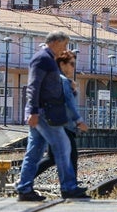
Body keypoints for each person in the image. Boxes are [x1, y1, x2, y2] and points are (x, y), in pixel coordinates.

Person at [16, 31, 89, 201]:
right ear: (55, 42)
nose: (65, 49)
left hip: (42, 112)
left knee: (34, 152)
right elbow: (33, 86)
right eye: (64, 44)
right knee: (63, 147)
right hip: (44, 113)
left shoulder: (47, 59)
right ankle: (69, 187)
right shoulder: (43, 59)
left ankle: (25, 188)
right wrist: (33, 111)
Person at [35, 50, 88, 179]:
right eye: (71, 64)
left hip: (53, 124)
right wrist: (79, 121)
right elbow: (68, 104)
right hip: (63, 125)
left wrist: (73, 90)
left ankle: (24, 179)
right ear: (62, 64)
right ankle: (72, 188)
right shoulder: (63, 81)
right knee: (71, 156)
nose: (73, 67)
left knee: (52, 158)